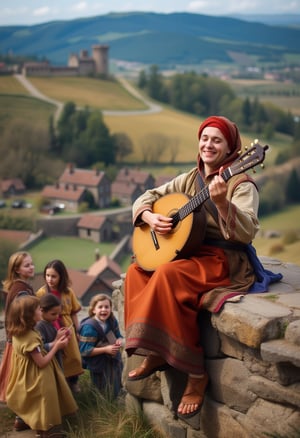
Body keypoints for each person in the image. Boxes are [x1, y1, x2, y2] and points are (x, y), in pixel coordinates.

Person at [124, 115, 263, 420]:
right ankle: (156, 351)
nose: (208, 145)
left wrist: (224, 205)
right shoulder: (190, 177)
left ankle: (195, 372)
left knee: (166, 275)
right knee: (136, 272)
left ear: (231, 149)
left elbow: (248, 232)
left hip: (223, 260)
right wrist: (148, 217)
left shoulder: (241, 182)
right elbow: (148, 196)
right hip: (191, 255)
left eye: (216, 140)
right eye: (204, 138)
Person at [5, 295, 78, 438]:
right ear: (29, 315)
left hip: (26, 376)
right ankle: (49, 432)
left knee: (35, 404)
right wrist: (56, 346)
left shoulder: (19, 333)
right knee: (46, 405)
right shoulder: (31, 337)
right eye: (38, 309)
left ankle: (35, 427)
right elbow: (42, 362)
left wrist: (55, 340)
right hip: (40, 378)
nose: (41, 311)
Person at [36, 259, 84, 393]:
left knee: (73, 356)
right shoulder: (41, 293)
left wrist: (77, 329)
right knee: (57, 356)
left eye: (54, 276)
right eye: (47, 275)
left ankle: (73, 382)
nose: (50, 279)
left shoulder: (68, 292)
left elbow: (74, 312)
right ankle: (59, 383)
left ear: (61, 276)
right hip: (50, 328)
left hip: (67, 327)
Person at [0, 251, 35, 431]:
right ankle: (21, 418)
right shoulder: (21, 291)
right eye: (27, 265)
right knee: (23, 379)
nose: (32, 267)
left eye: (32, 264)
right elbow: (24, 318)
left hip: (16, 341)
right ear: (17, 269)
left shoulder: (16, 286)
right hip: (21, 342)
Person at [79, 293, 124, 399]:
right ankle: (102, 404)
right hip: (98, 362)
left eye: (107, 307)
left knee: (116, 382)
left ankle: (116, 400)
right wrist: (105, 349)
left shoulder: (112, 321)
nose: (104, 310)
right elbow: (84, 350)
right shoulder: (89, 327)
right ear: (93, 309)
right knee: (101, 388)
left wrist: (119, 340)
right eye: (100, 307)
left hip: (113, 359)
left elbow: (119, 336)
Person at [36, 294, 69, 369]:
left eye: (58, 314)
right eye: (53, 314)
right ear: (42, 311)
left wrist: (63, 337)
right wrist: (57, 342)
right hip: (48, 366)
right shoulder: (39, 326)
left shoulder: (50, 322)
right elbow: (40, 349)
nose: (57, 317)